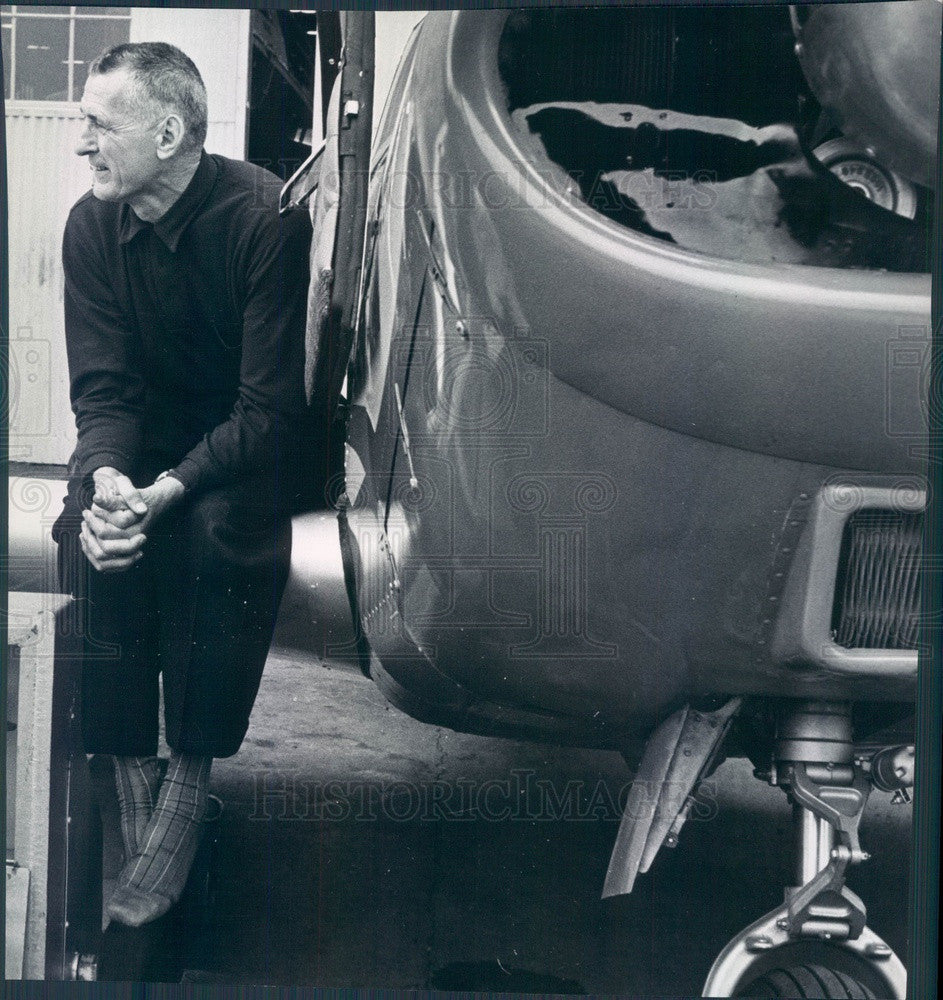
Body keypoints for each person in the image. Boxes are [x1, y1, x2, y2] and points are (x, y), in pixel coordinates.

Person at [52, 41, 314, 928]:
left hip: (240, 450)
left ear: (169, 132)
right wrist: (112, 481)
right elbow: (105, 391)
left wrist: (170, 490)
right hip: (143, 444)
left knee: (212, 537)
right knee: (84, 531)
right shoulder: (91, 226)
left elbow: (270, 409)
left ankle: (188, 786)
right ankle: (134, 787)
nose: (81, 144)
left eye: (98, 124)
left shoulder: (263, 218)